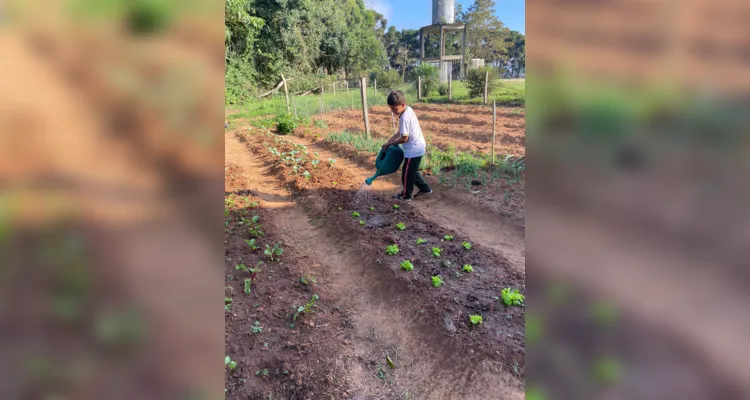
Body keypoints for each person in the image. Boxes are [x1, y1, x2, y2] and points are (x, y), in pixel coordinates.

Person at [381, 90, 433, 201]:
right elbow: (402, 131)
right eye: (391, 109)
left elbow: (405, 138)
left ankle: (406, 195)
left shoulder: (404, 117)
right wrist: (391, 139)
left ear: (403, 104)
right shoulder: (408, 110)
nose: (393, 111)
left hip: (413, 149)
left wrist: (390, 143)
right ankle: (425, 189)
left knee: (406, 174)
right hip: (418, 147)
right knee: (412, 171)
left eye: (395, 109)